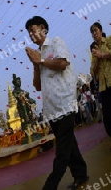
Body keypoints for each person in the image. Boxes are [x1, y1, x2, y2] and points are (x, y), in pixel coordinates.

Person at [25, 16, 88, 190]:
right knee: (70, 145)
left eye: (33, 29)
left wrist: (41, 61)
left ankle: (50, 186)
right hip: (52, 110)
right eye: (29, 32)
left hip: (66, 103)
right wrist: (36, 65)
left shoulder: (56, 42)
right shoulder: (38, 56)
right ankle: (81, 175)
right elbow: (37, 86)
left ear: (43, 28)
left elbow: (62, 63)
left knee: (61, 150)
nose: (31, 34)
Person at [90, 22, 111, 141]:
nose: (94, 33)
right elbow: (92, 72)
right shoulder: (94, 50)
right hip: (103, 87)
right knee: (107, 117)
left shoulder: (108, 41)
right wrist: (97, 59)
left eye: (95, 30)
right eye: (92, 32)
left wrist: (102, 55)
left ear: (101, 31)